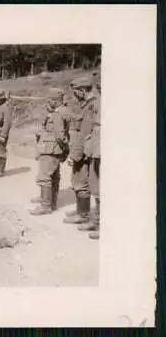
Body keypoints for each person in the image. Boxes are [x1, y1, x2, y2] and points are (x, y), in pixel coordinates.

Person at [62, 77, 98, 225]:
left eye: (76, 92)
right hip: (79, 149)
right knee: (76, 180)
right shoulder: (84, 105)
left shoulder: (91, 107)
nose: (74, 95)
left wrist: (74, 155)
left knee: (81, 182)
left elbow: (84, 134)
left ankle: (83, 214)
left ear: (83, 91)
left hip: (83, 151)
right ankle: (80, 210)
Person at [30, 88, 69, 215]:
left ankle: (45, 206)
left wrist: (64, 148)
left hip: (51, 149)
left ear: (55, 100)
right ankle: (51, 202)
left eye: (50, 99)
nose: (48, 102)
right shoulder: (62, 111)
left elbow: (60, 135)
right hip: (54, 149)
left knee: (44, 177)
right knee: (53, 176)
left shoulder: (58, 112)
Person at [77, 80, 101, 239]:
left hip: (101, 148)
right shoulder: (97, 102)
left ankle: (101, 223)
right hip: (95, 148)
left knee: (101, 186)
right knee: (96, 186)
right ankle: (97, 221)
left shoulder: (95, 103)